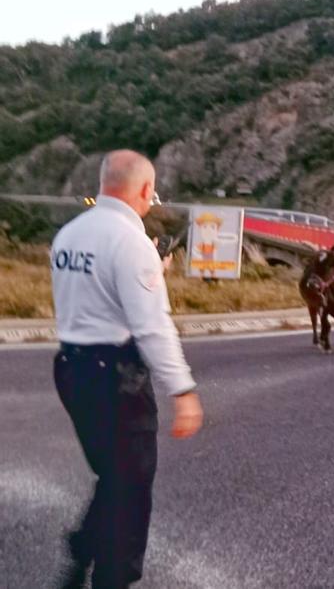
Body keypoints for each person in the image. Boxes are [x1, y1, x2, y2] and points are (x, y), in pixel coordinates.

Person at [50, 150, 203, 588]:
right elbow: (153, 326)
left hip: (71, 370)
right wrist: (183, 390)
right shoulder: (132, 242)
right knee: (132, 490)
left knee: (114, 474)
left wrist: (152, 272)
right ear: (144, 190)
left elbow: (97, 298)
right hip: (115, 378)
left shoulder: (69, 235)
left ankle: (83, 550)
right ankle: (112, 578)